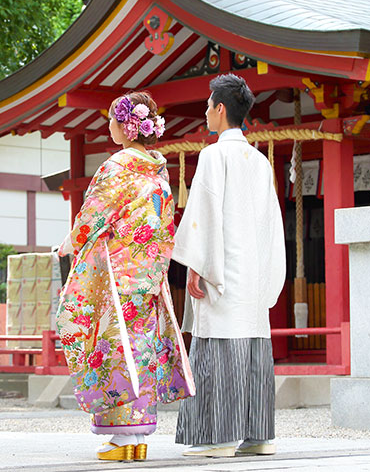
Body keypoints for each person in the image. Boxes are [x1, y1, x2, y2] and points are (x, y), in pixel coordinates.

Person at [57, 91, 195, 462]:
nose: (109, 127)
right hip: (148, 276)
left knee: (116, 349)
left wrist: (71, 244)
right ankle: (138, 439)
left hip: (117, 277)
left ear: (127, 127)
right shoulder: (160, 171)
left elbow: (93, 216)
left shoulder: (117, 167)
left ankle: (120, 439)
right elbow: (163, 227)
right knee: (143, 351)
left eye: (112, 121)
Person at [172, 73, 286, 457]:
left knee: (217, 350)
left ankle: (217, 438)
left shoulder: (213, 155)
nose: (205, 112)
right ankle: (259, 436)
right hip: (252, 275)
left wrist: (196, 265)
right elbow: (272, 224)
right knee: (253, 349)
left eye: (208, 105)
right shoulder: (259, 161)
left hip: (221, 270)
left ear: (220, 109)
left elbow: (204, 215)